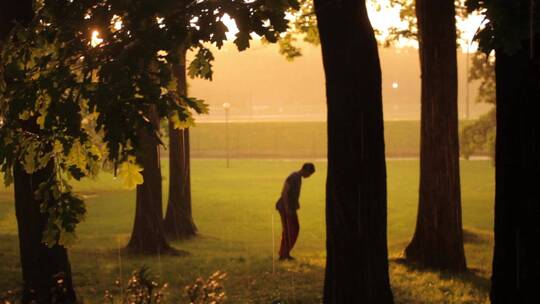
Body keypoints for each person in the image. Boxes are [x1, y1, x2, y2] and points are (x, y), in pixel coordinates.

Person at [275, 163, 315, 260]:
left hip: (290, 207)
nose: (309, 176)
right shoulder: (293, 177)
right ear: (305, 170)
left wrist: (296, 203)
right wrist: (287, 207)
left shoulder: (298, 178)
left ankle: (284, 253)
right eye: (309, 174)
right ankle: (283, 254)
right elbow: (284, 192)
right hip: (285, 207)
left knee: (290, 230)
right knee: (292, 230)